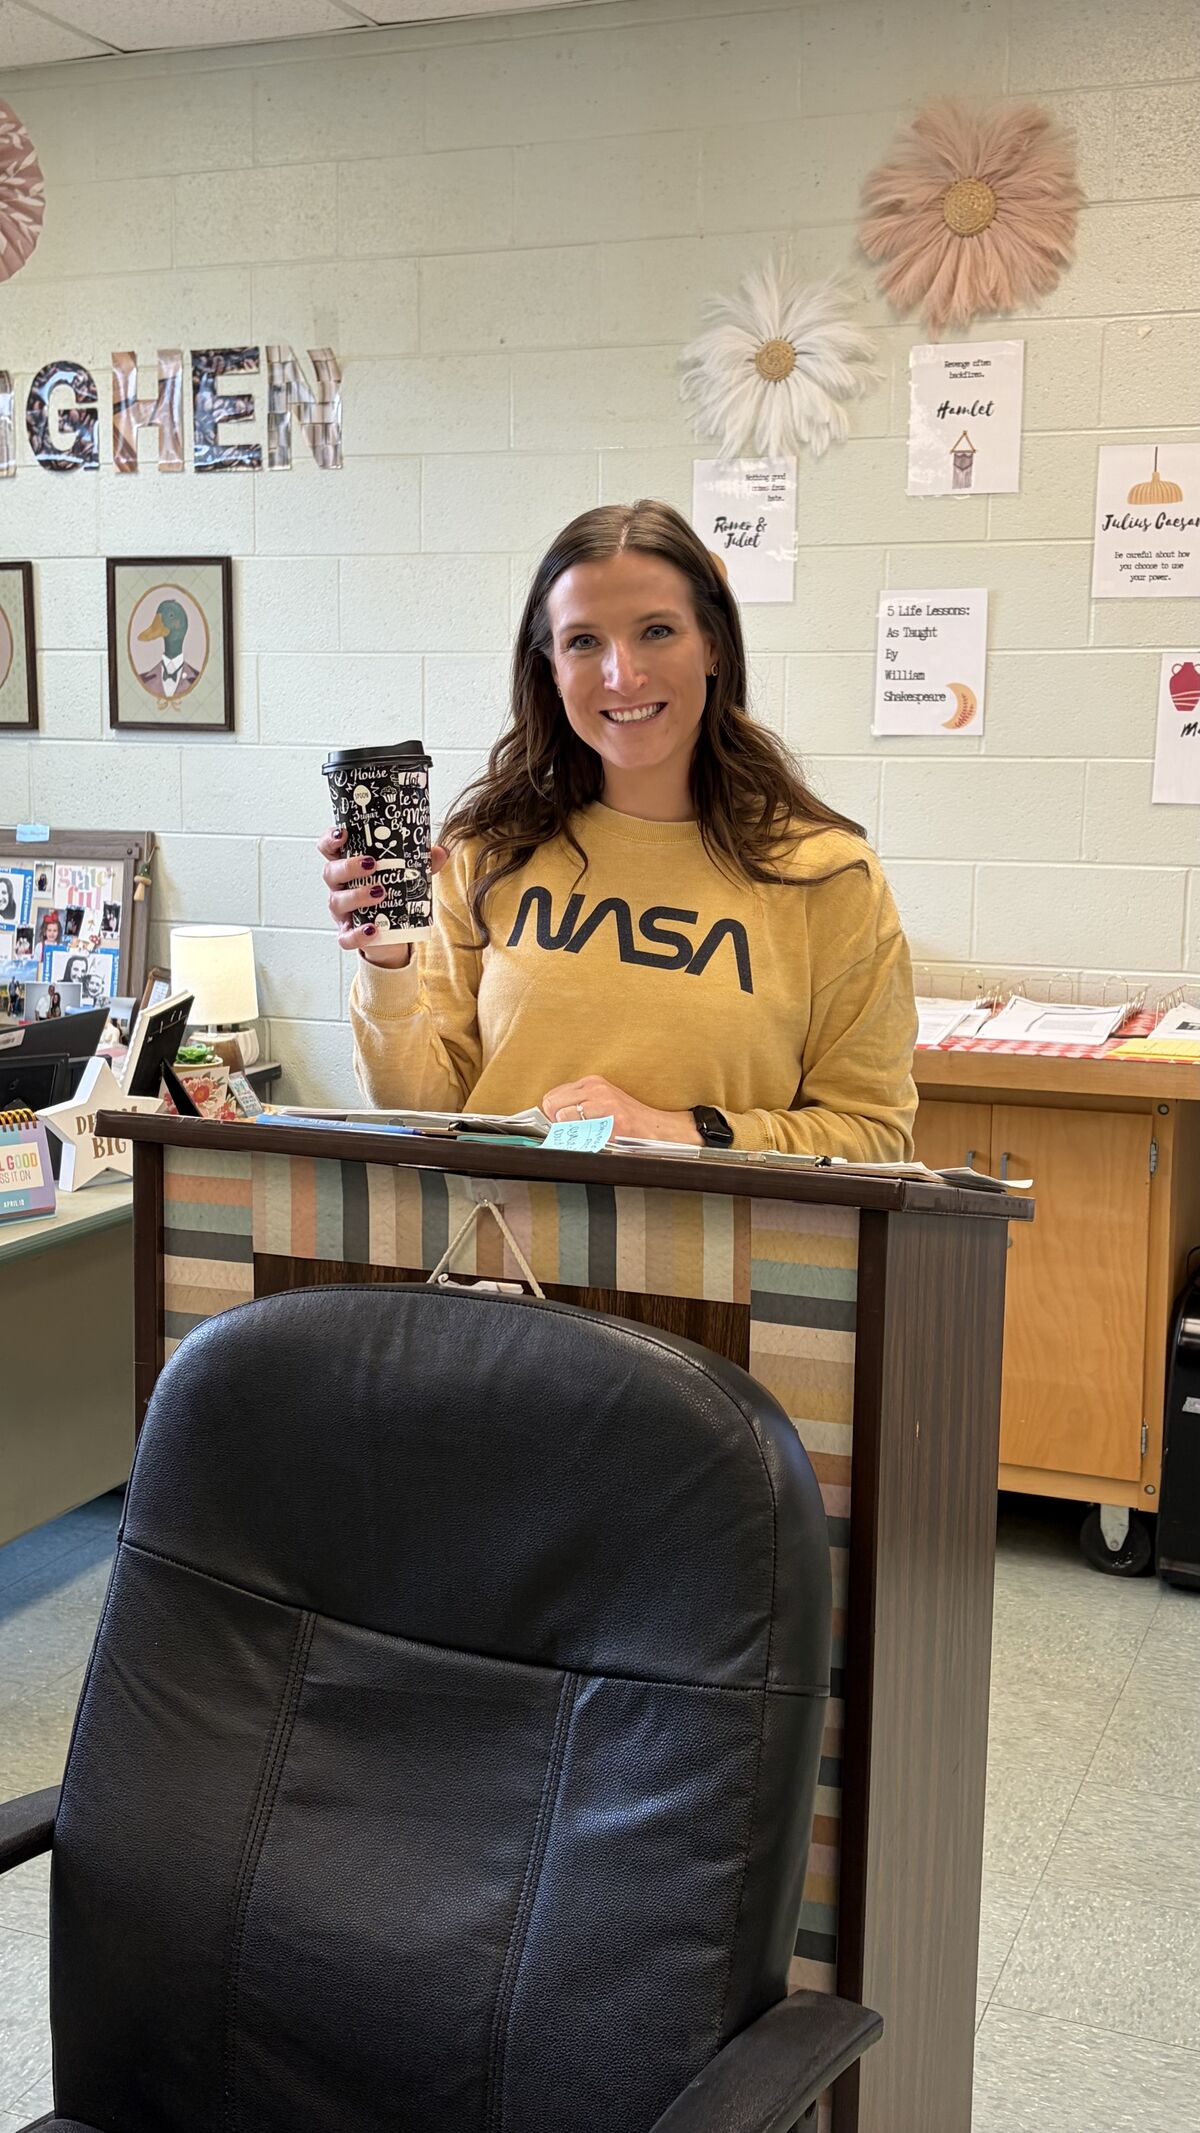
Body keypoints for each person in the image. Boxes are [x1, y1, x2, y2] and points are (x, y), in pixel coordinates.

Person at [320, 501, 917, 1157]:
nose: (621, 674)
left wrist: (682, 1130)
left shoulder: (829, 876)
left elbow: (873, 1136)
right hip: (492, 1250)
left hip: (714, 1256)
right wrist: (387, 956)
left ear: (713, 646)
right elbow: (423, 1111)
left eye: (657, 631)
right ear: (550, 669)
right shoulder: (485, 851)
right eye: (584, 641)